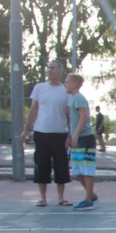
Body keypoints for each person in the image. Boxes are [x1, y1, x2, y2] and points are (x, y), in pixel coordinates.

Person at [19, 60, 71, 207]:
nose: (50, 70)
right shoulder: (39, 88)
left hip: (60, 134)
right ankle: (43, 198)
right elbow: (33, 110)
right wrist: (26, 130)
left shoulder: (65, 90)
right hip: (41, 133)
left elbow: (69, 115)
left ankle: (61, 197)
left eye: (53, 68)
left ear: (60, 72)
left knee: (61, 166)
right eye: (48, 67)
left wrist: (70, 135)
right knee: (41, 165)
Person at [65, 73, 99, 211]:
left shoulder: (78, 98)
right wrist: (71, 136)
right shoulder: (74, 99)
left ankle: (88, 200)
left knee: (86, 169)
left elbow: (83, 116)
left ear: (74, 84)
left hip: (85, 138)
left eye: (67, 82)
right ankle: (91, 194)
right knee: (77, 171)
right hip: (79, 139)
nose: (65, 84)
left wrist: (76, 135)